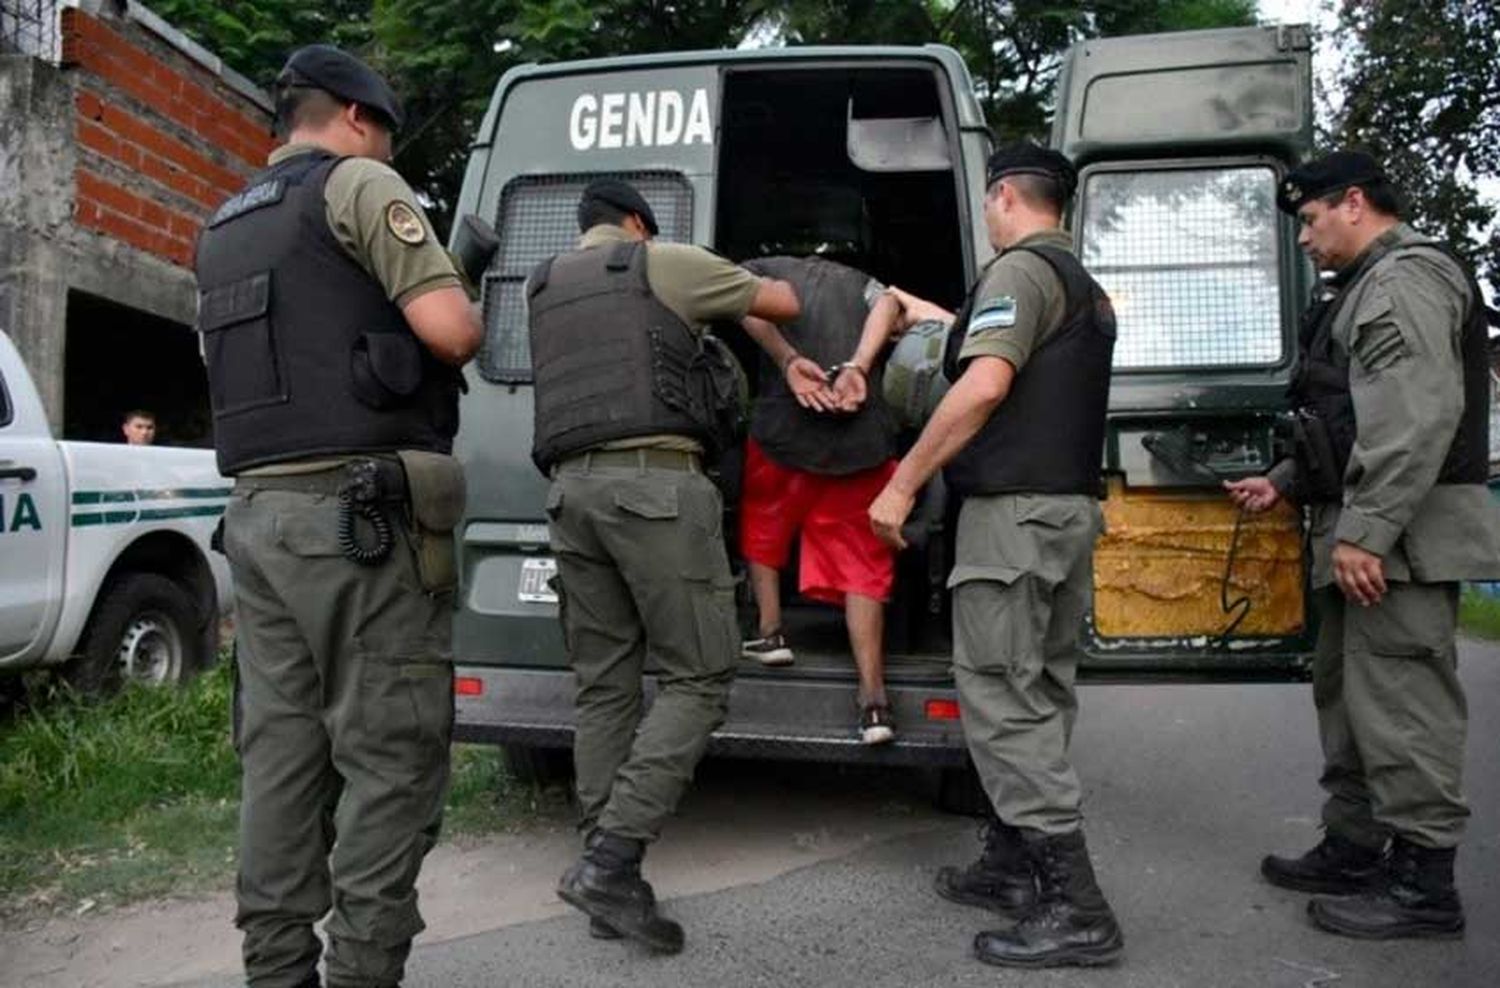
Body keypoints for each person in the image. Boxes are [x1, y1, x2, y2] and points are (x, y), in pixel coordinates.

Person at [194, 45, 482, 988]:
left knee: (280, 759)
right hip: (356, 522)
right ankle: (363, 974)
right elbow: (453, 330)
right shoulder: (359, 183)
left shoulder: (224, 226)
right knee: (390, 756)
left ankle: (277, 974)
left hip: (258, 519)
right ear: (358, 118)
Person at [1226, 150, 1500, 940]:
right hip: (1369, 528)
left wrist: (1367, 532)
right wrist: (1284, 477)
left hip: (1398, 539)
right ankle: (1355, 844)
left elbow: (1415, 417)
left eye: (1310, 221)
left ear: (1354, 203)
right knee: (1352, 700)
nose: (1305, 239)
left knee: (1403, 704)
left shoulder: (1405, 279)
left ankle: (1424, 886)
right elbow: (1347, 414)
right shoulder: (1364, 288)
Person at [868, 143, 1122, 968]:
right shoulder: (1082, 286)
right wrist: (940, 318)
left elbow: (983, 386)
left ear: (1004, 194)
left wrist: (902, 485)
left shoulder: (1019, 273)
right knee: (1040, 690)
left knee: (1000, 696)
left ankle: (1078, 909)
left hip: (1012, 519)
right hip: (1065, 512)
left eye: (986, 201)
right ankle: (1012, 867)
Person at [529, 179, 800, 953]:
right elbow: (777, 301)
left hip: (571, 494)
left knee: (605, 683)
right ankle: (612, 863)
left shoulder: (544, 284)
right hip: (654, 489)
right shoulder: (658, 262)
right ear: (637, 223)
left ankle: (604, 862)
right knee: (700, 675)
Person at [737, 255, 905, 744]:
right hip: (860, 441)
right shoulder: (864, 282)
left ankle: (771, 632)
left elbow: (743, 304)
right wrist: (858, 366)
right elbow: (890, 303)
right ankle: (874, 701)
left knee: (762, 523)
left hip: (784, 432)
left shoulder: (759, 269)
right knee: (862, 565)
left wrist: (786, 360)